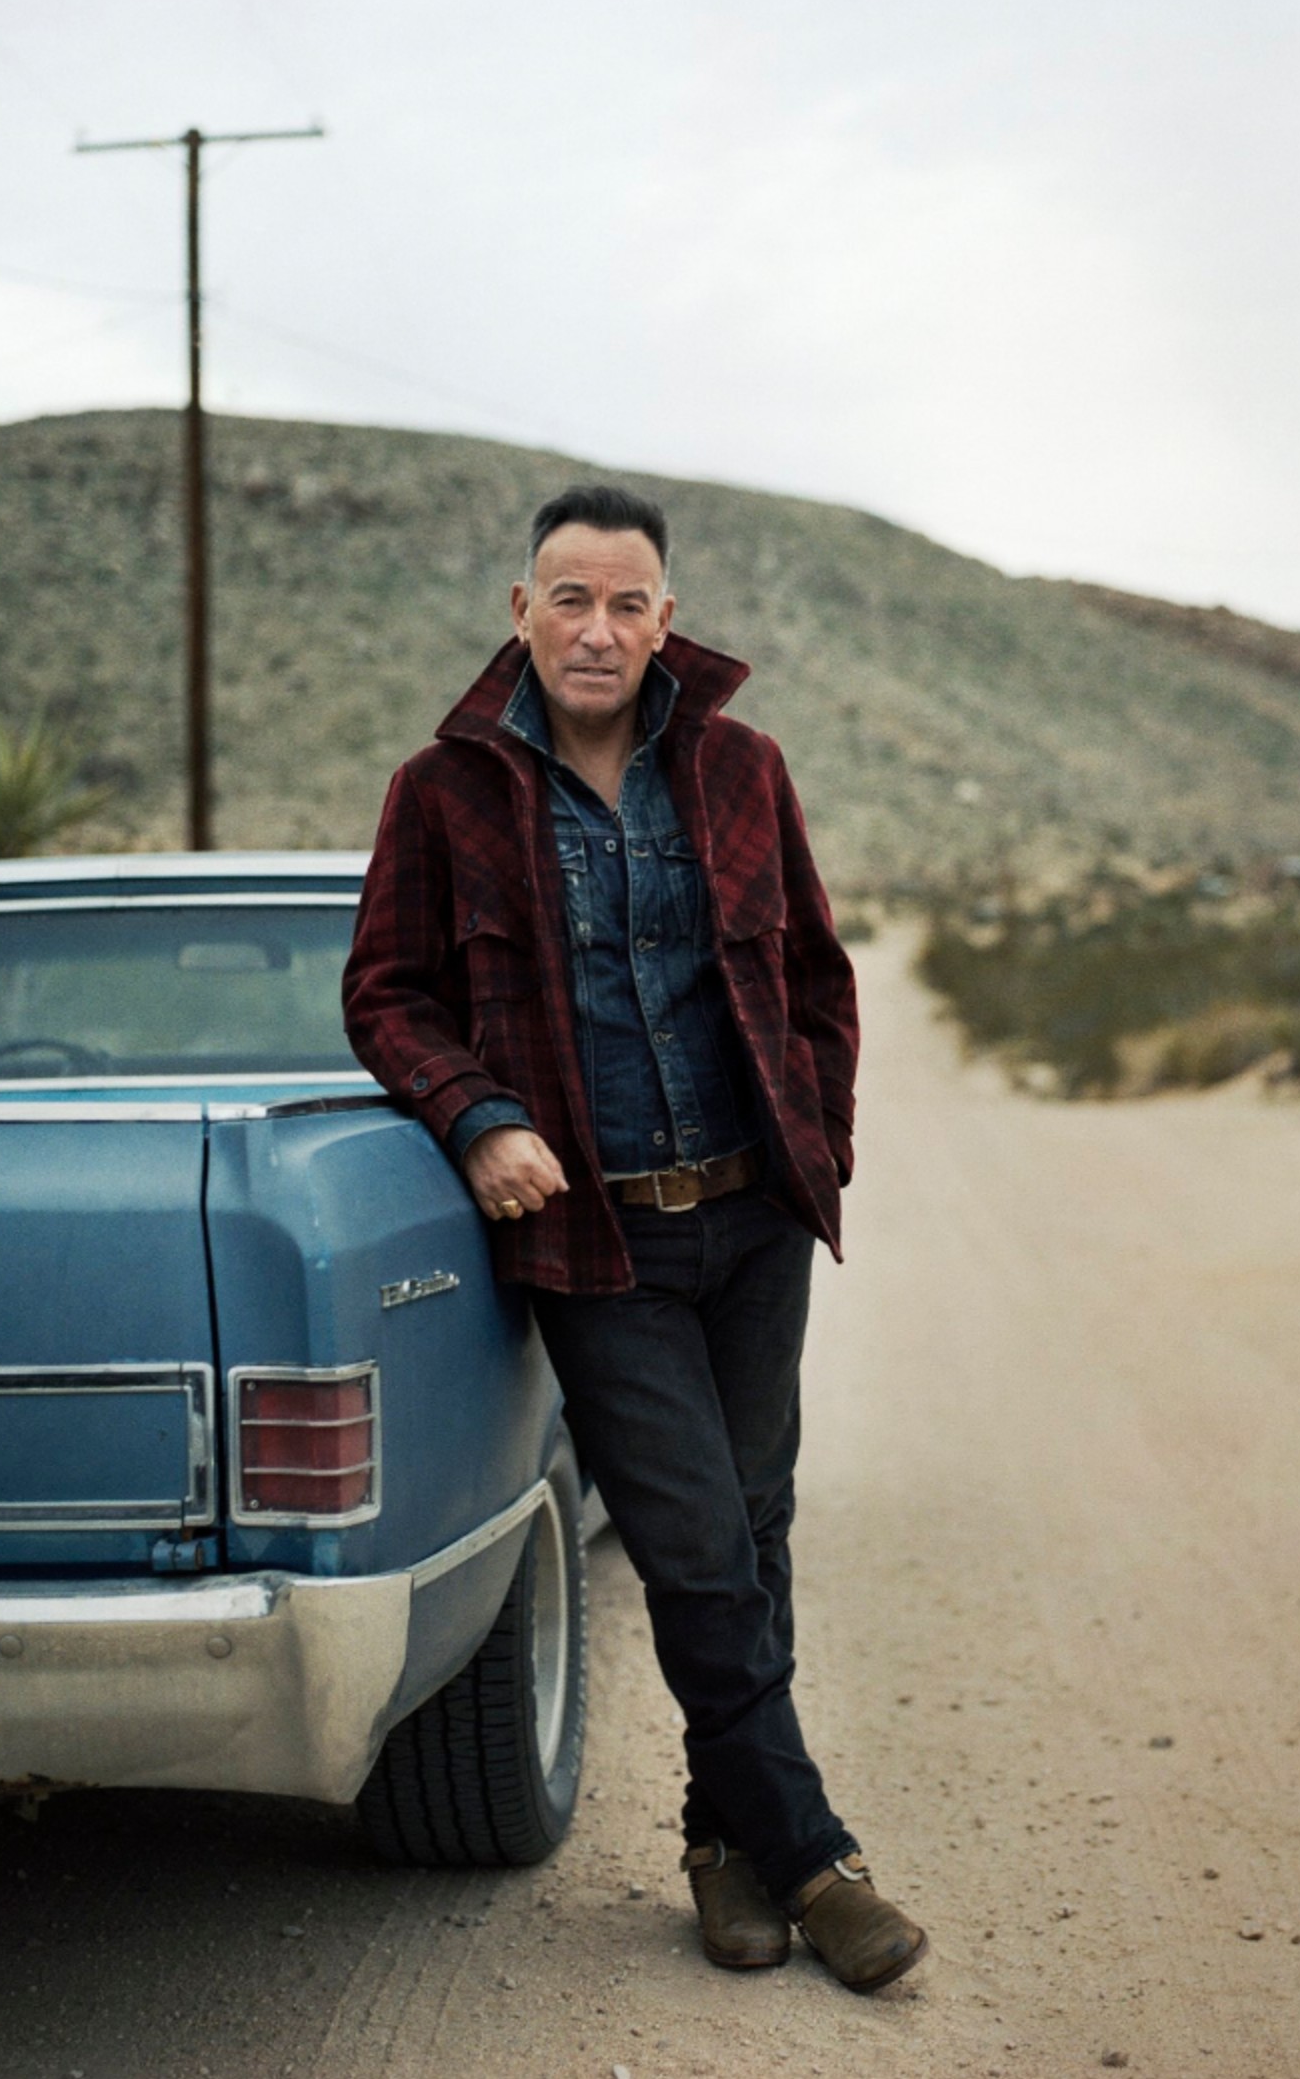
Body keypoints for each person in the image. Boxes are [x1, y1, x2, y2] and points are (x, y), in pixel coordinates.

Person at [342, 484, 928, 1993]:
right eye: (568, 598)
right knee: (691, 1545)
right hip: (596, 1242)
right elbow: (386, 995)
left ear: (664, 619)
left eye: (625, 603)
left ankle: (719, 1844)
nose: (595, 628)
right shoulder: (444, 791)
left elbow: (813, 974)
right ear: (519, 611)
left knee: (756, 1521)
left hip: (751, 1218)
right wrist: (477, 1116)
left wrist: (819, 1141)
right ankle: (814, 1854)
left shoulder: (739, 769)